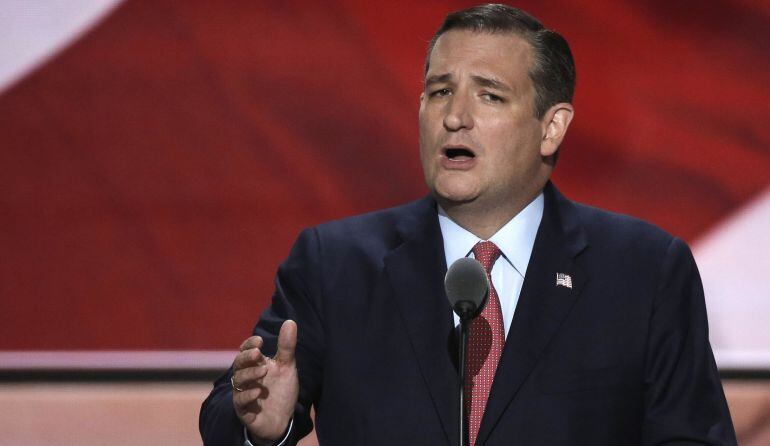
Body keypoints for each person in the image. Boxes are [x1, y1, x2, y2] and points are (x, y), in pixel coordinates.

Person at [200, 4, 737, 445]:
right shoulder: (334, 262)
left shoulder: (642, 271)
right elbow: (229, 413)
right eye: (439, 92)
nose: (454, 116)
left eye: (489, 95)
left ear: (552, 128)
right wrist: (263, 429)